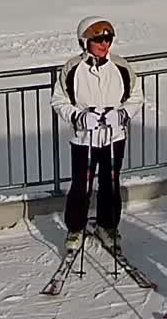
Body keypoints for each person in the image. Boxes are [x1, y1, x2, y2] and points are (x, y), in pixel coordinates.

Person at [51, 16, 144, 249]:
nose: (105, 44)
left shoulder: (121, 66)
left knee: (110, 184)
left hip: (114, 137)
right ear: (85, 42)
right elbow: (59, 100)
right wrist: (79, 116)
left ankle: (108, 226)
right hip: (85, 138)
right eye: (98, 39)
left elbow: (136, 97)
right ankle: (75, 229)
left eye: (108, 39)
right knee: (81, 185)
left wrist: (121, 115)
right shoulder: (72, 68)